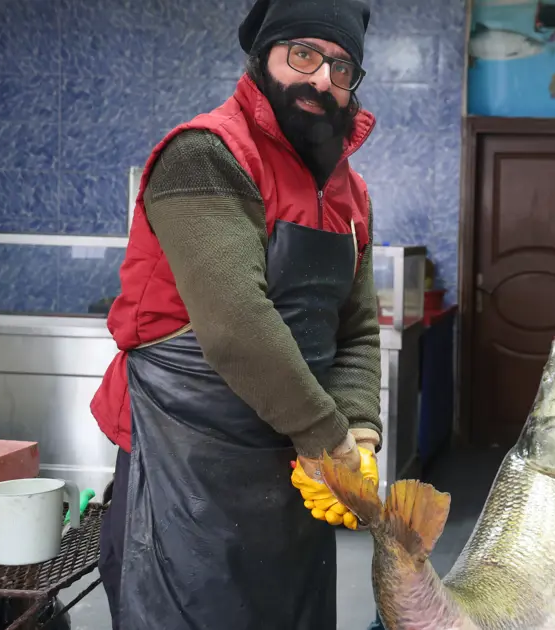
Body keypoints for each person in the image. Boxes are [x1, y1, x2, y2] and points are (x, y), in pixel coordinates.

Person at [88, 1, 383, 628]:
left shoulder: (350, 193)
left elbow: (356, 329)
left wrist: (359, 429)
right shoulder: (205, 155)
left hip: (294, 470)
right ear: (263, 57)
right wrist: (329, 441)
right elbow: (236, 326)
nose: (321, 80)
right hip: (185, 467)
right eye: (303, 55)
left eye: (341, 67)